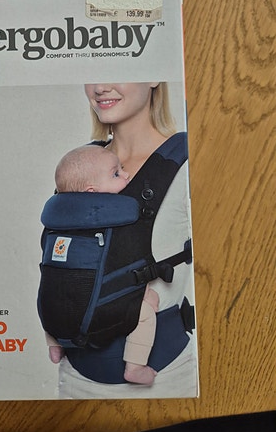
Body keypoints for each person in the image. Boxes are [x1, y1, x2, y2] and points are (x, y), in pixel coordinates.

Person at [57, 82, 197, 398]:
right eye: (93, 72)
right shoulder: (78, 165)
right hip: (74, 377)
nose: (101, 87)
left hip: (165, 379)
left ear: (153, 77)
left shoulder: (187, 162)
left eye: (118, 68)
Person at [46, 143, 160, 385]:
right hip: (95, 316)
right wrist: (145, 291)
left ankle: (55, 346)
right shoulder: (116, 219)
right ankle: (135, 367)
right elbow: (122, 267)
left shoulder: (56, 222)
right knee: (146, 314)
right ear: (92, 192)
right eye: (116, 174)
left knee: (53, 300)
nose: (126, 175)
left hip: (53, 313)